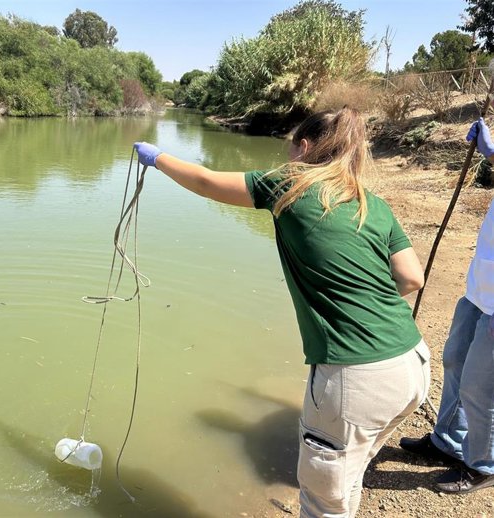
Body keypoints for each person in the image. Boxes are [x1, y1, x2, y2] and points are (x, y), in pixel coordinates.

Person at [133, 106, 430, 517]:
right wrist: (364, 305)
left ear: (303, 147)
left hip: (355, 379)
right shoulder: (372, 203)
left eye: (289, 146)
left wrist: (157, 158)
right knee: (350, 473)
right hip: (412, 364)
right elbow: (412, 278)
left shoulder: (291, 185)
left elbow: (205, 181)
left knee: (323, 502)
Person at [399, 117, 494, 494]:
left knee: (481, 385)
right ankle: (449, 442)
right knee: (455, 358)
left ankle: (482, 464)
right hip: (481, 285)